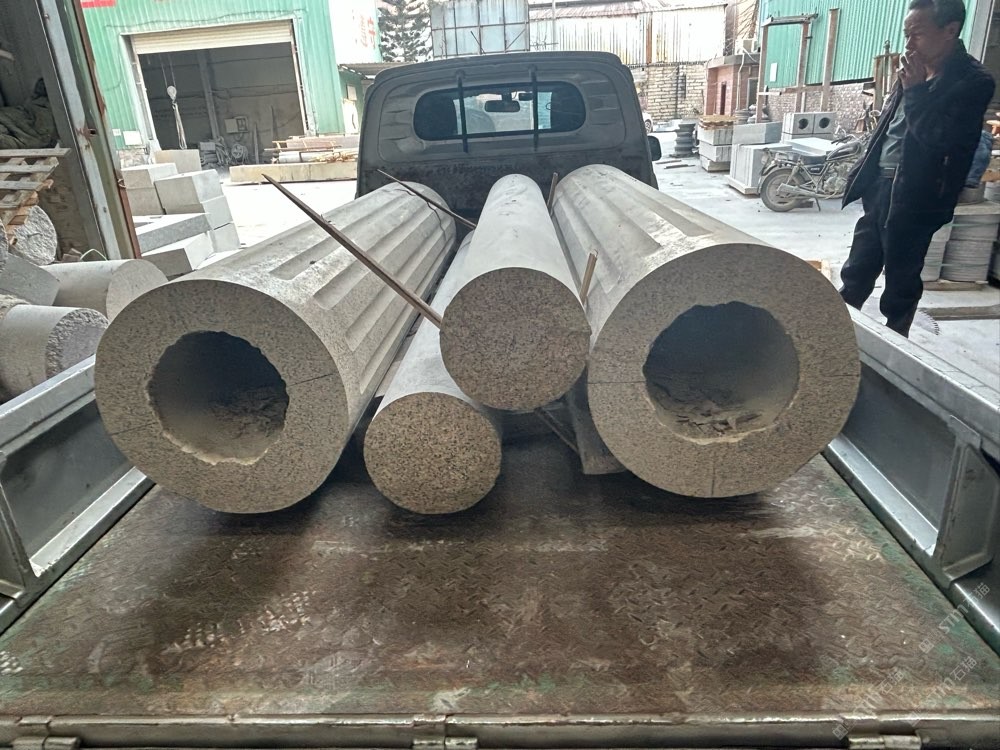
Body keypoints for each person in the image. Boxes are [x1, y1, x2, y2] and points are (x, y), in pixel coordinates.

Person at [839, 0, 995, 337]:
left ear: (950, 31)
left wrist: (917, 92)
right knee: (858, 267)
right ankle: (837, 334)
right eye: (906, 34)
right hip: (881, 184)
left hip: (918, 195)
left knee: (901, 278)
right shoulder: (914, 68)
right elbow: (890, 126)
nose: (909, 44)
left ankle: (897, 342)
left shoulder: (973, 81)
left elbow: (941, 140)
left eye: (918, 34)